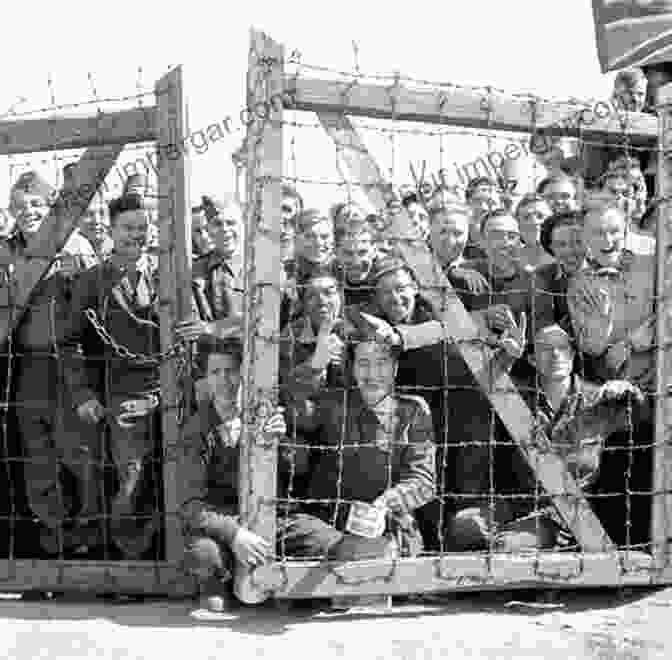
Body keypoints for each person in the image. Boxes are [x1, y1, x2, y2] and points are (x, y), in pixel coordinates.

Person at [283, 329, 436, 609]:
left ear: (395, 367)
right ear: (351, 369)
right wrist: (315, 365)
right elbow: (291, 401)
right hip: (329, 526)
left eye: (381, 362)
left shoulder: (413, 410)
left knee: (378, 556)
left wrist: (388, 502)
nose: (372, 372)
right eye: (363, 363)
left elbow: (424, 482)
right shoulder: (333, 404)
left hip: (388, 526)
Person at [62, 193, 162, 559]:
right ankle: (130, 558)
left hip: (170, 391)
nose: (135, 235)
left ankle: (167, 551)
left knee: (170, 472)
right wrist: (83, 394)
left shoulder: (171, 272)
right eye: (127, 228)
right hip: (121, 393)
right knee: (131, 476)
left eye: (142, 227)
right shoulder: (93, 280)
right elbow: (70, 340)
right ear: (112, 231)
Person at [179, 336, 287, 610]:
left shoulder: (264, 414)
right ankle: (219, 581)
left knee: (318, 538)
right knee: (203, 554)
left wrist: (282, 443)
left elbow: (298, 473)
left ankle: (274, 580)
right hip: (221, 520)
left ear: (244, 373)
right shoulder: (196, 428)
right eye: (215, 372)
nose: (224, 379)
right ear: (205, 378)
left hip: (266, 513)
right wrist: (234, 533)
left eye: (231, 370)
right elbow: (191, 506)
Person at [567, 203, 655, 392]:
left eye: (614, 231)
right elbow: (594, 349)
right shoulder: (580, 284)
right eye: (598, 233)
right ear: (585, 238)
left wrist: (629, 344)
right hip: (621, 388)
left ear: (625, 232)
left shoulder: (652, 266)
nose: (608, 240)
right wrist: (602, 323)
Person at [175, 196, 245, 345]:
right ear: (208, 229)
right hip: (208, 362)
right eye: (218, 224)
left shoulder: (260, 269)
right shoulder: (194, 270)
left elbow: (262, 317)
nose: (225, 229)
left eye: (231, 223)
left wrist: (212, 328)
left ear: (244, 224)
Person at [535, 211, 586, 329]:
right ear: (551, 247)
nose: (570, 251)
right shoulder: (541, 277)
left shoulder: (605, 273)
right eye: (561, 244)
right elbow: (543, 324)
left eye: (577, 242)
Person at [334, 221, 378, 306]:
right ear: (336, 253)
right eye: (348, 253)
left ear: (374, 251)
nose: (356, 262)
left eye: (363, 252)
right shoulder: (330, 281)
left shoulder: (388, 282)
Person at [515, 194, 553, 271]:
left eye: (540, 216)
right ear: (518, 225)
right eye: (526, 217)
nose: (534, 222)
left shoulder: (564, 256)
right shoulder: (510, 260)